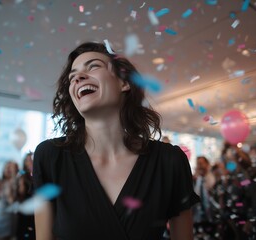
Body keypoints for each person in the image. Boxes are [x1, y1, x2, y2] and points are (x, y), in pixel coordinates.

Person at [33, 41, 200, 240]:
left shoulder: (169, 161)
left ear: (124, 82)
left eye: (93, 66)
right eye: (72, 77)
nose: (77, 77)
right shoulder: (50, 157)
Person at [0, 160, 19, 240]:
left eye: (11, 168)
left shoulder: (17, 182)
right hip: (0, 214)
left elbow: (12, 200)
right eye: (7, 167)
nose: (8, 170)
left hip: (11, 215)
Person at [192, 156, 216, 239]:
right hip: (198, 218)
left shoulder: (212, 177)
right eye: (198, 164)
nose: (200, 166)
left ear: (207, 164)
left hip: (211, 217)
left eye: (201, 164)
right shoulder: (198, 179)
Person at [16, 152, 36, 240]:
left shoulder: (38, 174)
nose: (30, 161)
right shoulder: (22, 175)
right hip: (26, 209)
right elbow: (21, 193)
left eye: (32, 159)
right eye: (28, 160)